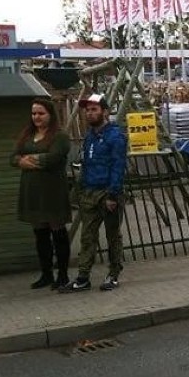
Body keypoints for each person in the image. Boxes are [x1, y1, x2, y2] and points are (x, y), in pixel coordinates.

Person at [60, 93, 128, 293]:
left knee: (112, 235)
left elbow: (118, 166)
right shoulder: (90, 136)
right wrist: (82, 190)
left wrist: (113, 195)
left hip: (108, 193)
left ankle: (113, 274)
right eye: (87, 110)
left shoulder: (115, 137)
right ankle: (83, 277)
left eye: (94, 109)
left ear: (105, 112)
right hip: (90, 193)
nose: (89, 113)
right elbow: (87, 165)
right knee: (87, 236)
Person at [11, 98, 72, 289]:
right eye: (33, 113)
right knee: (40, 235)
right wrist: (19, 160)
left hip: (52, 191)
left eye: (40, 113)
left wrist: (27, 159)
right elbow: (13, 157)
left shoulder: (60, 136)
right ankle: (46, 274)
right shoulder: (27, 135)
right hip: (32, 191)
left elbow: (54, 157)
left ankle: (62, 274)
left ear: (50, 115)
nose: (36, 117)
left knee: (58, 232)